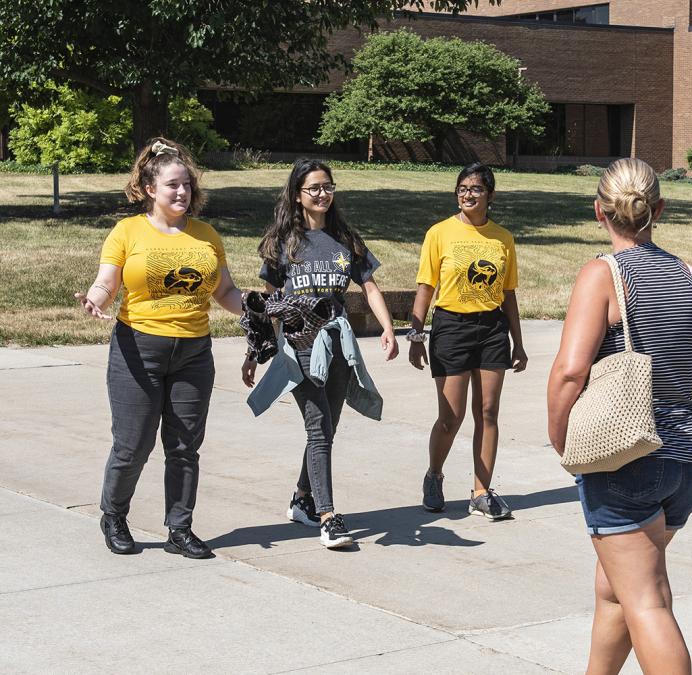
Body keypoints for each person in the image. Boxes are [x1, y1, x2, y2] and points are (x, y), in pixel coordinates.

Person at [546, 158, 692, 674]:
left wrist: (561, 438)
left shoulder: (602, 274)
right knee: (615, 589)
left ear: (598, 211)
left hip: (626, 455)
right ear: (660, 210)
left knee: (646, 598)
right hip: (685, 459)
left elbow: (568, 373)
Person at [75, 137, 245, 559]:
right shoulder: (127, 231)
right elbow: (107, 281)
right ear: (150, 189)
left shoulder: (206, 236)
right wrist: (96, 299)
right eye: (172, 185)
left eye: (186, 184)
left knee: (185, 446)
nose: (182, 192)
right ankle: (113, 514)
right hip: (139, 349)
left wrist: (256, 311)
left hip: (194, 352)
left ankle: (180, 529)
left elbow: (224, 290)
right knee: (132, 444)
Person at [241, 158, 397, 549]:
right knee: (318, 428)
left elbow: (370, 287)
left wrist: (389, 328)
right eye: (314, 188)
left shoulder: (346, 238)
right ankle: (329, 517)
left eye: (328, 186)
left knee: (327, 428)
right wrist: (256, 350)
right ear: (298, 195)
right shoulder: (283, 244)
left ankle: (301, 500)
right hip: (299, 347)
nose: (323, 194)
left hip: (339, 345)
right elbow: (270, 302)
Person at [408, 163, 527, 520]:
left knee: (488, 412)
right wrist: (415, 335)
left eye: (475, 188)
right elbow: (426, 287)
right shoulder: (439, 233)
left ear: (490, 195)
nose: (467, 194)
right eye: (462, 188)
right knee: (451, 416)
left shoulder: (502, 238)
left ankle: (481, 491)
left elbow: (508, 294)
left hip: (492, 329)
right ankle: (434, 474)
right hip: (451, 327)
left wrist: (517, 342)